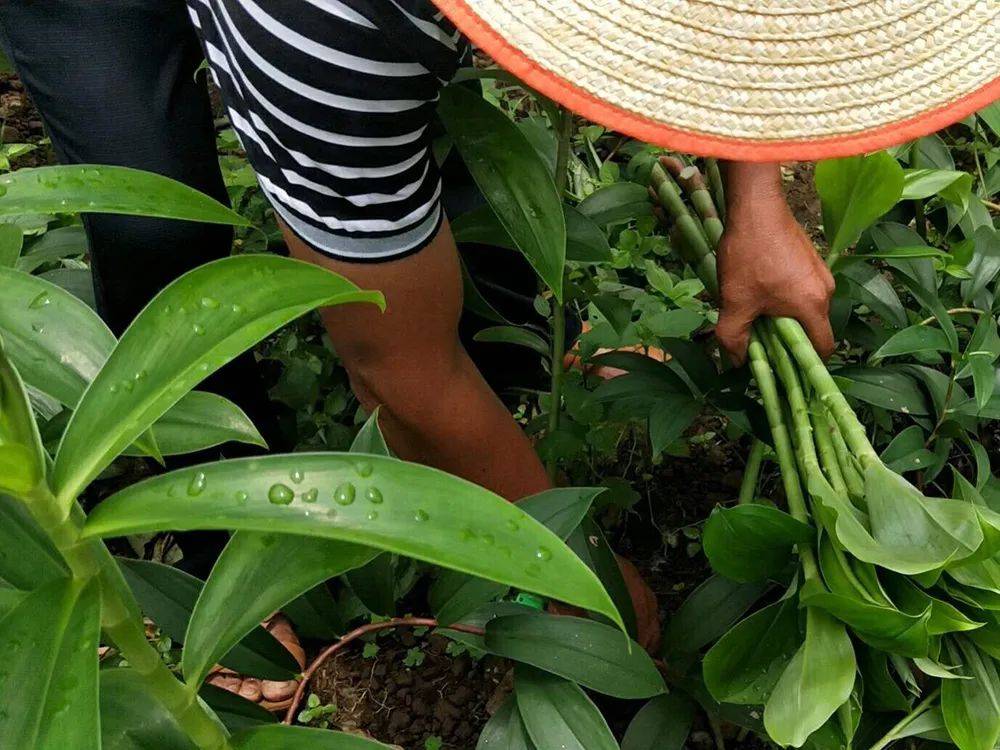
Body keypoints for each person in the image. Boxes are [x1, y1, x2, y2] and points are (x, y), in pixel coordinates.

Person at [0, 0, 845, 704]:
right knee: (153, 219)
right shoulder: (333, 39)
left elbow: (733, 22)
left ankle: (508, 370)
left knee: (450, 148)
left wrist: (758, 198)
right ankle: (208, 535)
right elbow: (398, 376)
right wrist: (562, 568)